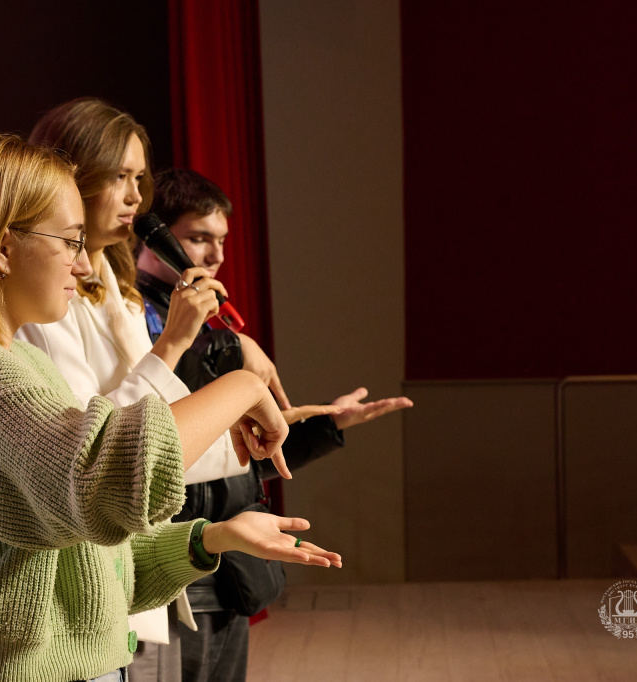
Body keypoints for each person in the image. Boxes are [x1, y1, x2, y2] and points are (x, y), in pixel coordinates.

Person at [0, 134, 341, 682]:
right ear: (3, 248)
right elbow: (101, 481)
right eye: (70, 241)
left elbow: (88, 560)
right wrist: (240, 386)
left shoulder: (19, 360)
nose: (83, 265)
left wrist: (212, 536)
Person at [15, 98, 302, 682]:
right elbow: (95, 453)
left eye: (139, 179)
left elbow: (157, 432)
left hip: (140, 557)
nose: (133, 198)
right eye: (118, 177)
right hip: (84, 572)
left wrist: (249, 438)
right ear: (68, 175)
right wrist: (174, 345)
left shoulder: (115, 288)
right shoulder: (43, 301)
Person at [136, 167, 412, 682]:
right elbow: (154, 443)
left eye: (221, 241)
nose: (216, 256)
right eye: (198, 238)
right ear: (154, 238)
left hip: (228, 565)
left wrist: (325, 424)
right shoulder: (140, 320)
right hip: (175, 562)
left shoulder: (202, 328)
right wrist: (232, 345)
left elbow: (238, 457)